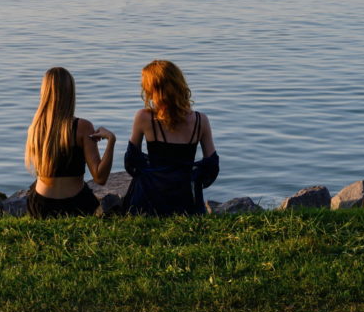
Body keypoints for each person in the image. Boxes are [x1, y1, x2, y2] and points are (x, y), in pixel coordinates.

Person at [124, 60, 219, 215]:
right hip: (186, 200)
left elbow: (131, 163)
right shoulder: (201, 120)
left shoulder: (143, 117)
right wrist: (189, 176)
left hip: (150, 199)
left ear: (152, 89)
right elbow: (211, 166)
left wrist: (155, 170)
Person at [25, 67, 116, 218]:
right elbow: (100, 178)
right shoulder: (82, 127)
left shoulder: (35, 128)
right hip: (74, 206)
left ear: (44, 92)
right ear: (70, 92)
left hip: (41, 206)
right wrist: (111, 140)